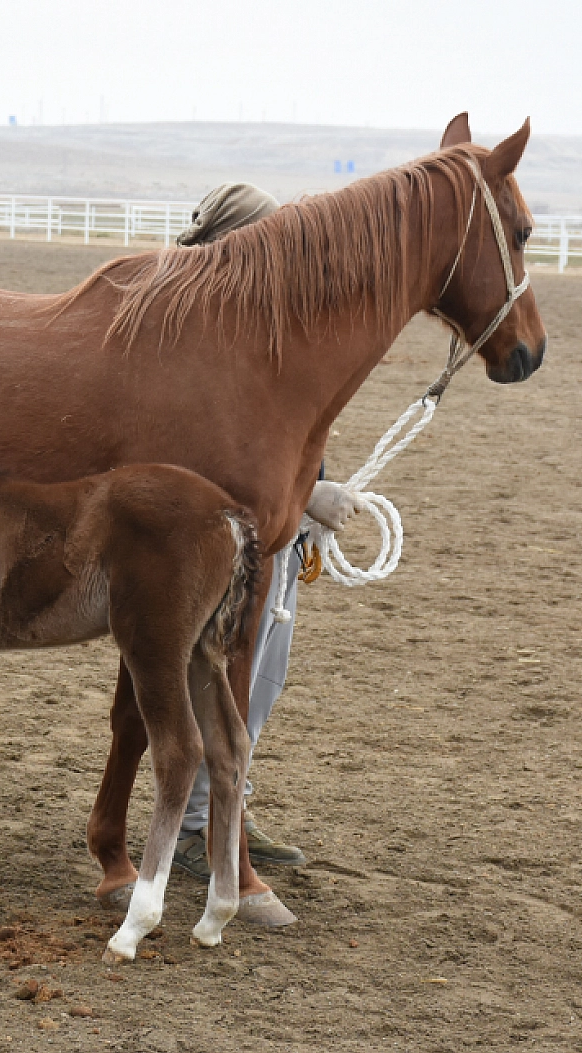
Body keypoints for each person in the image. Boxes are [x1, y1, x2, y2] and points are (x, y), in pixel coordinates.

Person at [168, 184, 361, 920]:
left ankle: (226, 807)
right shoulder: (210, 330)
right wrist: (309, 493)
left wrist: (308, 489)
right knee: (231, 680)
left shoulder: (250, 322)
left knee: (264, 677)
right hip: (232, 538)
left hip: (268, 527)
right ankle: (196, 829)